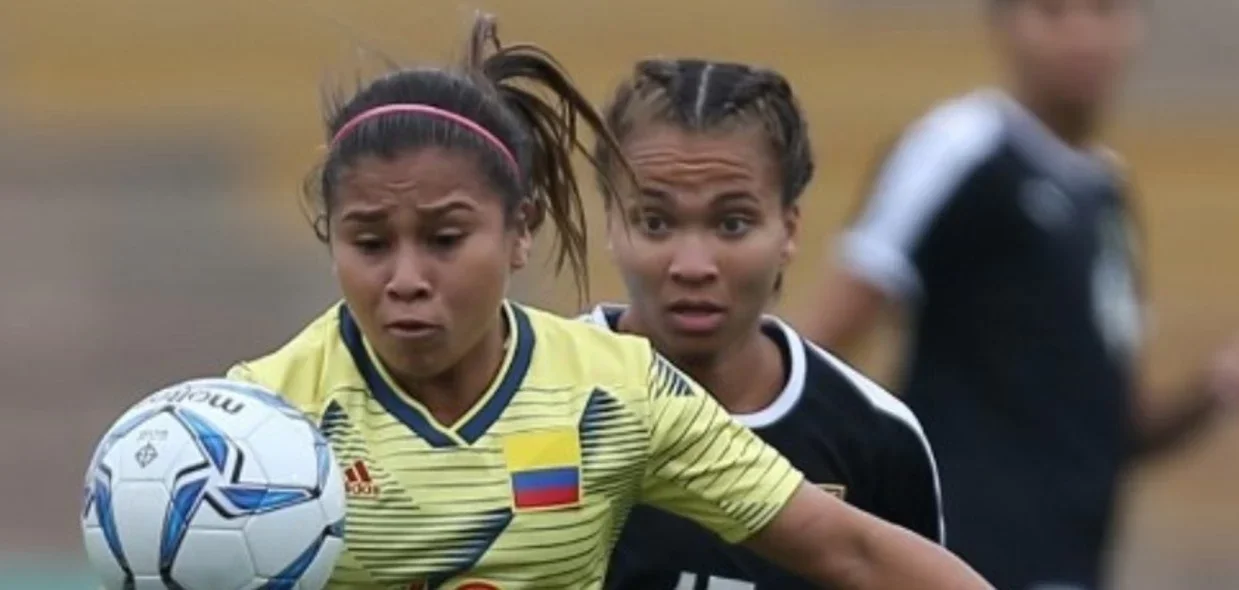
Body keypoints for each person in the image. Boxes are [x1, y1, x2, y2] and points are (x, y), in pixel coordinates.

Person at [224, 13, 990, 590]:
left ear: (519, 231)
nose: (406, 277)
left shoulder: (613, 393)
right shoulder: (254, 422)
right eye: (369, 243)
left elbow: (850, 548)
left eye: (445, 238)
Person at [797, 1, 1239, 589]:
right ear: (1003, 22)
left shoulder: (1107, 195)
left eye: (1104, 10)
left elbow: (1112, 429)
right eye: (1052, 10)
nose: (1081, 32)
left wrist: (1210, 393)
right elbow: (819, 346)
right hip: (958, 555)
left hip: (1069, 562)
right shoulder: (959, 148)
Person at [581, 58, 944, 590]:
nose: (693, 264)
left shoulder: (875, 438)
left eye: (732, 223)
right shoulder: (532, 396)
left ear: (788, 230)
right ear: (613, 225)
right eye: (655, 222)